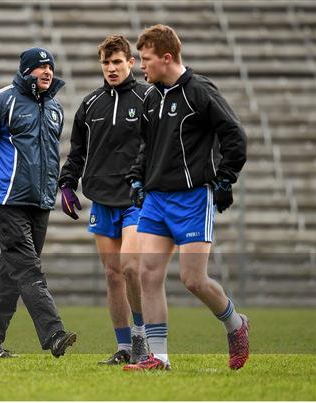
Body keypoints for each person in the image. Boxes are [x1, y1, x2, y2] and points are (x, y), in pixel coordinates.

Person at [123, 24, 249, 371]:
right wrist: (137, 178)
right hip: (156, 200)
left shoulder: (200, 91)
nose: (140, 66)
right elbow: (146, 146)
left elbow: (235, 136)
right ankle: (159, 357)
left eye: (146, 59)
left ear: (167, 58)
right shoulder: (150, 98)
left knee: (193, 280)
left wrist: (225, 179)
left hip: (192, 199)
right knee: (148, 274)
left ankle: (235, 324)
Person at [0, 47, 76, 359]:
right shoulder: (1, 99)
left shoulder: (55, 108)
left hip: (40, 202)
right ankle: (54, 334)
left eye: (50, 68)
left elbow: (52, 154)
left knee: (11, 275)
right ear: (25, 70)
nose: (46, 72)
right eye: (39, 68)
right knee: (29, 269)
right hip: (8, 200)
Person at [58, 35, 151, 365]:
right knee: (112, 275)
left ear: (132, 62)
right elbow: (78, 152)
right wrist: (67, 182)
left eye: (117, 62)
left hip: (136, 198)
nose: (111, 68)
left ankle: (142, 337)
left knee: (130, 266)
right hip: (101, 199)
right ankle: (124, 348)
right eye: (106, 63)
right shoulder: (89, 104)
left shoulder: (148, 98)